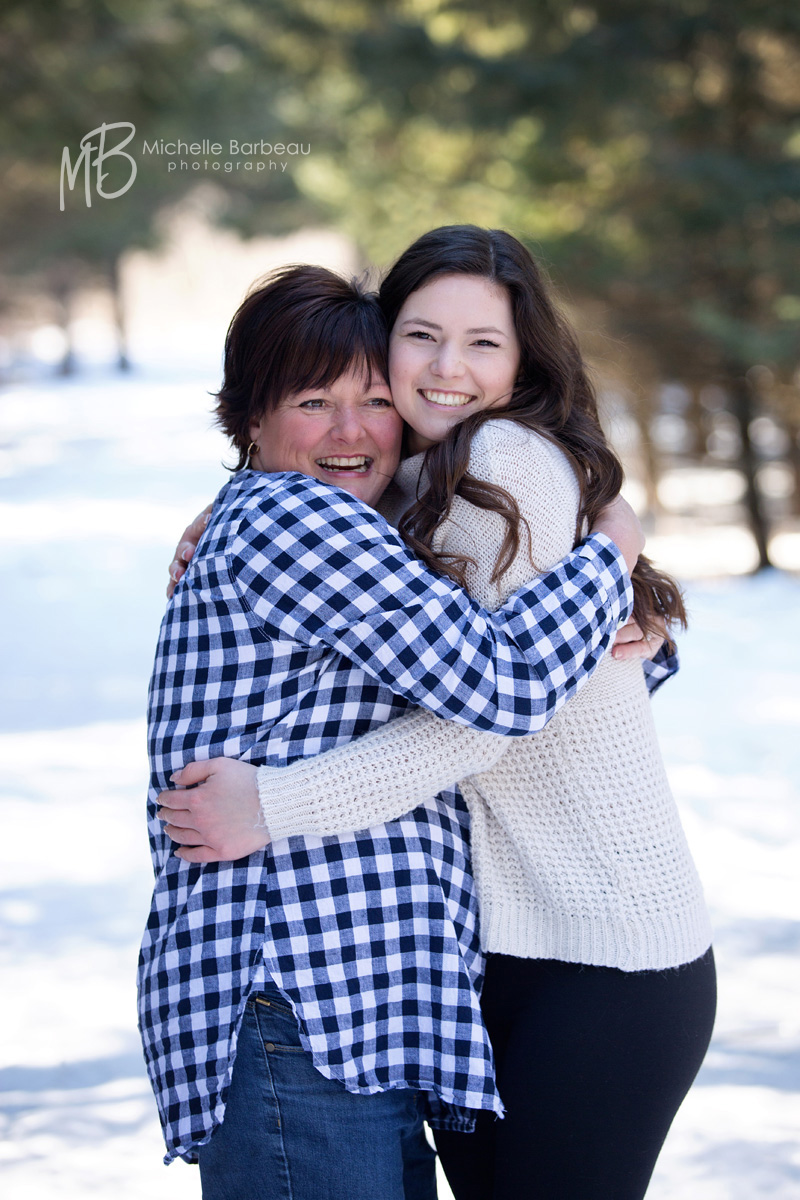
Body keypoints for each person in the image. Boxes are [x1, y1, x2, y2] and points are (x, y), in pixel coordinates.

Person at [161, 228, 715, 1200]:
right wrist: (257, 494)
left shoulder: (498, 460)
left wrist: (275, 804)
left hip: (602, 952)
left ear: (523, 360)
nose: (446, 369)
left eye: (483, 344)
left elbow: (498, 707)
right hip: (493, 955)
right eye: (419, 337)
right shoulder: (396, 486)